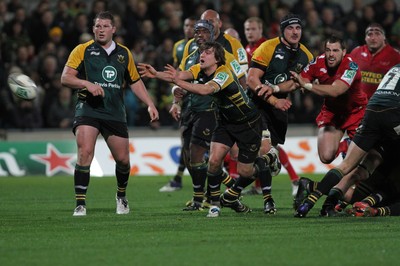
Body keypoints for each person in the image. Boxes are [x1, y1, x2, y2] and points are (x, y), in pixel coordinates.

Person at [139, 41, 278, 217]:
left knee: (245, 172)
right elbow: (181, 74)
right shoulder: (199, 69)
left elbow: (205, 90)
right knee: (213, 162)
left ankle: (269, 158)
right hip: (225, 122)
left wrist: (177, 80)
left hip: (248, 122)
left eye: (208, 53)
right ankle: (214, 205)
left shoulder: (224, 73)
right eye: (202, 52)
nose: (202, 55)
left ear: (218, 58)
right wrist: (156, 74)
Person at [60, 11, 159, 216]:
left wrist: (150, 103)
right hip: (88, 108)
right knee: (85, 152)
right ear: (93, 29)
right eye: (97, 26)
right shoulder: (82, 50)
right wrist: (86, 83)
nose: (101, 30)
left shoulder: (124, 54)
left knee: (123, 160)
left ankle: (121, 196)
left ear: (114, 29)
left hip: (114, 111)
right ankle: (80, 203)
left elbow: (135, 81)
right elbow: (66, 78)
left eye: (105, 26)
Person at [294, 65, 400, 218]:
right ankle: (332, 203)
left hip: (371, 112)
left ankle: (310, 204)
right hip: (393, 113)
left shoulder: (394, 67)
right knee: (371, 175)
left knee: (348, 167)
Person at [163, 20, 246, 211]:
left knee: (199, 153)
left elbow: (241, 79)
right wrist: (176, 100)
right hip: (190, 109)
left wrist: (236, 104)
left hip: (211, 109)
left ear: (212, 34)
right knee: (190, 156)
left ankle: (201, 198)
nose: (199, 35)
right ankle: (222, 192)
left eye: (203, 31)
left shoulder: (224, 56)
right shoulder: (190, 54)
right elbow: (179, 78)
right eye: (196, 31)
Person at [246, 14, 314, 214]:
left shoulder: (306, 56)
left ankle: (238, 190)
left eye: (298, 28)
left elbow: (298, 82)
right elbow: (251, 79)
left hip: (279, 108)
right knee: (264, 149)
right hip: (257, 105)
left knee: (266, 155)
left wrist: (277, 91)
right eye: (290, 28)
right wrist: (272, 97)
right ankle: (267, 198)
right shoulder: (267, 47)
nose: (295, 32)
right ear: (282, 31)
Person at [159, 16, 197, 193]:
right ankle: (180, 179)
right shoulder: (180, 46)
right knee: (187, 142)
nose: (188, 29)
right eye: (186, 25)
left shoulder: (207, 48)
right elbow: (176, 72)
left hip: (203, 97)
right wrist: (176, 97)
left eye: (192, 26)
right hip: (186, 97)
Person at [350, 23, 400, 100]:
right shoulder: (356, 52)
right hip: (358, 104)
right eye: (370, 34)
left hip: (382, 105)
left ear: (384, 37)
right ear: (365, 38)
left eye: (377, 34)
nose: (373, 38)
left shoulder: (395, 56)